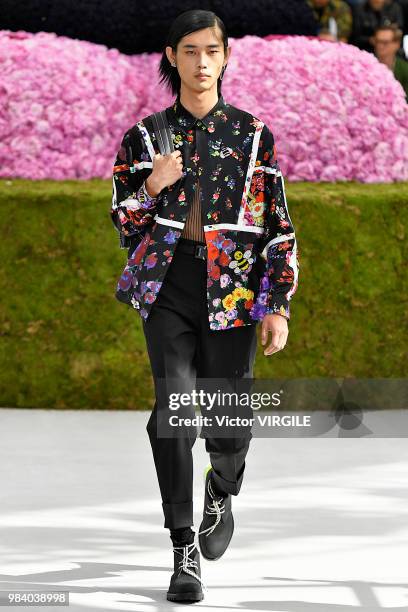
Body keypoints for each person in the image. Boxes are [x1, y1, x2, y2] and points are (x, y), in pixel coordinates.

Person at [110, 8, 299, 603]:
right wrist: (152, 187)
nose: (200, 62)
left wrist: (278, 302)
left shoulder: (252, 133)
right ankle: (182, 546)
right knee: (175, 411)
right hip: (167, 285)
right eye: (189, 51)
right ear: (172, 56)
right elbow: (124, 221)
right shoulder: (145, 137)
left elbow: (277, 222)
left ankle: (223, 487)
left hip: (235, 286)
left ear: (224, 57)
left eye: (210, 51)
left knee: (229, 422)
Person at [373, 23, 408, 99]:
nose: (380, 46)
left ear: (397, 44)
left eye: (385, 42)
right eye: (377, 41)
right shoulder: (367, 66)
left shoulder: (405, 69)